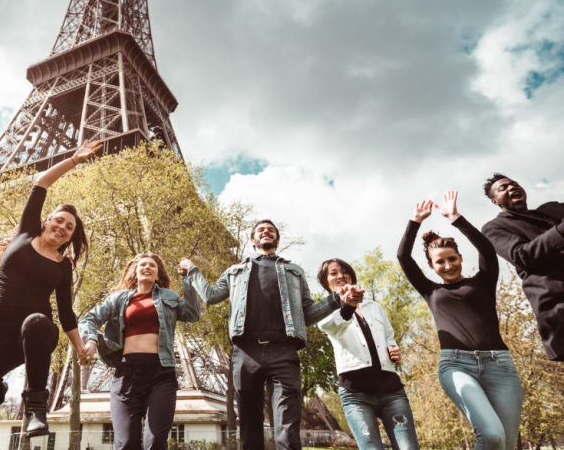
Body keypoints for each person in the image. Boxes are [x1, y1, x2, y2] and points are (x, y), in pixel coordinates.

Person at [0, 140, 102, 438]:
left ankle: (35, 407)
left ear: (70, 237)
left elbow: (67, 314)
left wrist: (80, 347)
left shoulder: (62, 266)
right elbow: (41, 182)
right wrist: (73, 160)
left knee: (36, 321)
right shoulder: (25, 232)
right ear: (46, 221)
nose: (62, 227)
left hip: (35, 335)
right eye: (59, 220)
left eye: (69, 227)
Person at [178, 220, 355, 450]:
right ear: (253, 240)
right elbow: (210, 296)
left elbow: (308, 315)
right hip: (245, 353)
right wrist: (193, 271)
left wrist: (336, 300)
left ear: (277, 241)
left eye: (271, 230)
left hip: (284, 351)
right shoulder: (234, 271)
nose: (266, 231)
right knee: (249, 430)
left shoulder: (295, 271)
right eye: (260, 229)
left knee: (288, 429)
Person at [397, 191, 522, 450]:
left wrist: (455, 218)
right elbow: (403, 257)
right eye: (439, 262)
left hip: (500, 367)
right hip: (456, 365)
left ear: (460, 258)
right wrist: (415, 222)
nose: (447, 265)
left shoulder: (483, 282)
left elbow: (486, 248)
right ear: (431, 266)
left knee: (506, 445)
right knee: (491, 436)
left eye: (452, 258)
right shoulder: (431, 291)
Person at [78, 253, 201, 450]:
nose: (147, 267)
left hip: (161, 373)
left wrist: (187, 278)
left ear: (157, 274)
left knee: (154, 443)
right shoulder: (117, 299)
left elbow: (193, 315)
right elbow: (88, 319)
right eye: (142, 264)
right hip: (127, 374)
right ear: (135, 271)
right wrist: (91, 341)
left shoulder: (169, 297)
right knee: (126, 443)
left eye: (152, 265)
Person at [316, 259, 419, 450]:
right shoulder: (326, 311)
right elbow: (332, 327)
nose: (341, 275)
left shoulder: (374, 306)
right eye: (333, 273)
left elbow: (389, 337)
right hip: (355, 393)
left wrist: (393, 349)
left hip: (391, 389)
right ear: (325, 281)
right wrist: (348, 305)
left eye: (345, 271)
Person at [481, 173, 564, 361]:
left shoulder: (552, 209)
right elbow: (522, 255)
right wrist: (560, 231)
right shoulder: (494, 227)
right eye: (503, 188)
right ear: (495, 201)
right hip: (558, 303)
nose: (511, 187)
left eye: (514, 184)